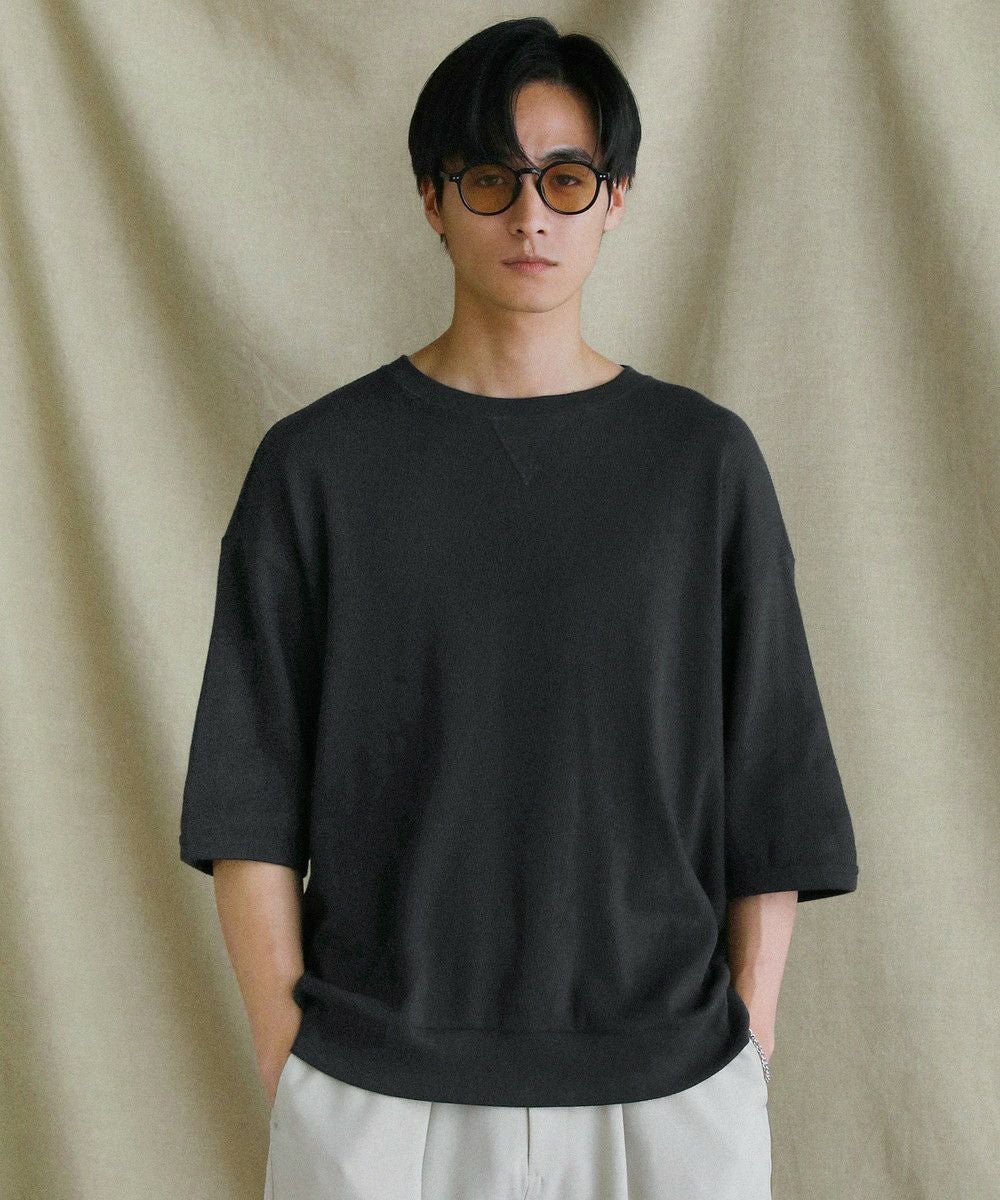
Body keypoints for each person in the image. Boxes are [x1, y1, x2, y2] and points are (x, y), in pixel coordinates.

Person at [180, 17, 859, 1200]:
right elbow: (248, 802)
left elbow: (772, 788)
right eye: (490, 179)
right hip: (377, 1088)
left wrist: (746, 1051)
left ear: (616, 198)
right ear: (433, 202)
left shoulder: (700, 465)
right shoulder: (317, 467)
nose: (531, 217)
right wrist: (293, 1063)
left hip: (671, 1088)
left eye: (566, 178)